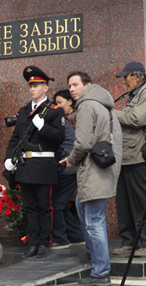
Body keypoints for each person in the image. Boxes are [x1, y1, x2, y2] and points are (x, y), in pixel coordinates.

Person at [62, 71, 122, 286]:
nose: (71, 89)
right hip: (103, 167)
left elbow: (83, 143)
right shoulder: (105, 105)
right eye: (69, 85)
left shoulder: (87, 106)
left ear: (88, 85)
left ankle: (100, 272)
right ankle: (93, 254)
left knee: (94, 221)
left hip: (93, 169)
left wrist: (71, 160)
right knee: (81, 206)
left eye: (75, 84)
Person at [4, 66, 65, 259]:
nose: (32, 89)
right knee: (29, 207)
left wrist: (43, 127)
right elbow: (15, 139)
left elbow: (59, 137)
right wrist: (8, 158)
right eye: (30, 85)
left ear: (46, 88)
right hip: (25, 166)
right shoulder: (23, 112)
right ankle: (33, 242)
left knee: (44, 207)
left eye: (37, 85)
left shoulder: (55, 111)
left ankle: (44, 243)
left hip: (44, 166)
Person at [112, 62, 146, 257]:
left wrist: (111, 112)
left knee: (141, 200)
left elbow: (136, 119)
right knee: (123, 202)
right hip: (124, 154)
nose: (124, 81)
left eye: (127, 77)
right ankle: (129, 241)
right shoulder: (136, 95)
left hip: (137, 155)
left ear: (138, 76)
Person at [50, 90, 84, 249]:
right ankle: (77, 235)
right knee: (61, 204)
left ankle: (61, 239)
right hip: (69, 166)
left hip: (68, 166)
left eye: (60, 102)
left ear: (70, 101)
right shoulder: (63, 119)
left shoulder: (62, 120)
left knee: (57, 203)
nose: (57, 106)